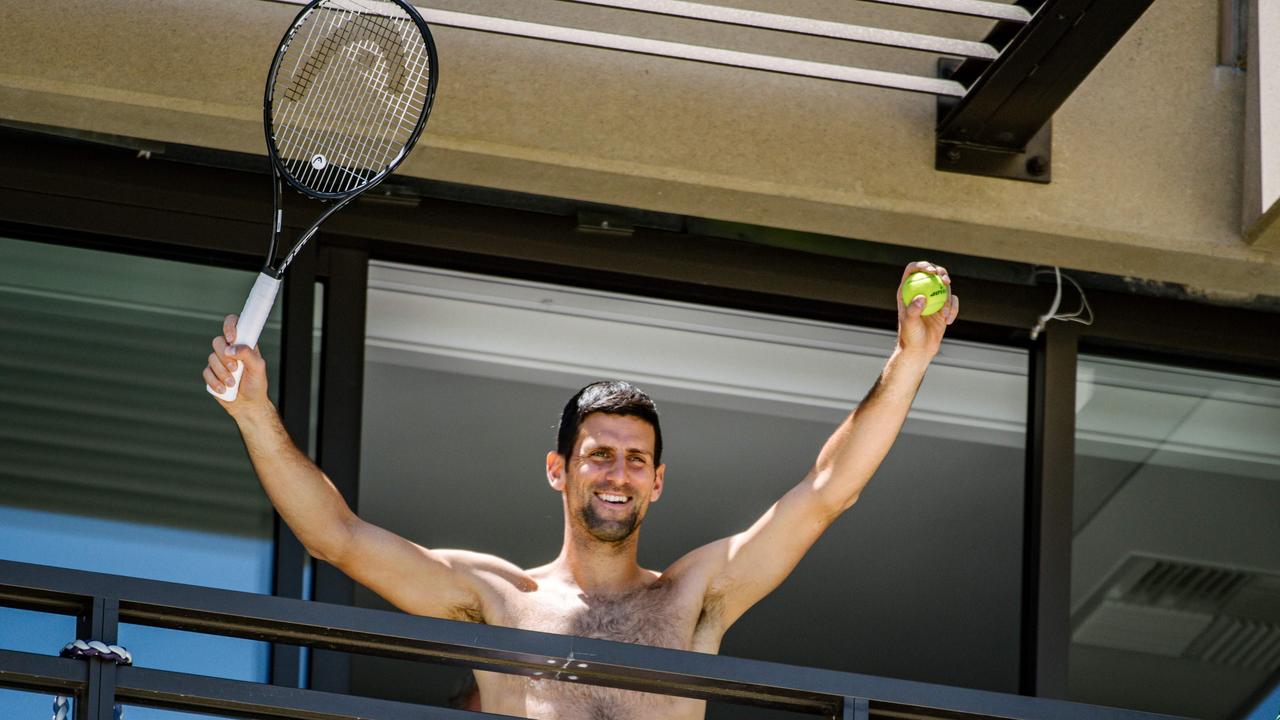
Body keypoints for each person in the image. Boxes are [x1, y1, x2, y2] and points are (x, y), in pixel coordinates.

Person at [202, 261, 958, 719]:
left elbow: (827, 491)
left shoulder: (693, 595)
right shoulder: (499, 599)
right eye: (598, 455)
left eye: (636, 460)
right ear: (558, 470)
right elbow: (333, 537)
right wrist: (254, 412)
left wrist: (909, 361)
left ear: (658, 482)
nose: (617, 474)